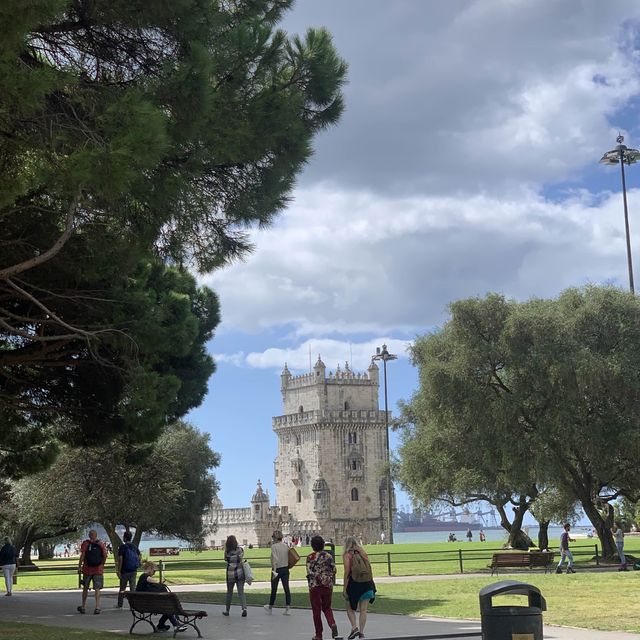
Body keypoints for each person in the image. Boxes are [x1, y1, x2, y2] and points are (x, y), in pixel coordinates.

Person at [136, 561, 187, 633]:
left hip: (143, 604)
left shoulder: (143, 580)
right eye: (154, 571)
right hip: (149, 605)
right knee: (168, 608)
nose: (154, 573)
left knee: (167, 607)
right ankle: (175, 625)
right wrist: (159, 583)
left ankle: (161, 625)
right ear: (150, 568)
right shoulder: (145, 577)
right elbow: (154, 581)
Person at [343, 536, 376, 640]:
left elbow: (347, 572)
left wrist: (344, 588)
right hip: (367, 583)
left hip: (354, 584)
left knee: (349, 608)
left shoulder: (347, 555)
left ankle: (354, 628)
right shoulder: (363, 553)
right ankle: (361, 633)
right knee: (363, 610)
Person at [306, 535, 338, 640]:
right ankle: (332, 623)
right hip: (327, 585)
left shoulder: (310, 557)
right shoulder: (329, 556)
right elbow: (334, 570)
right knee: (327, 607)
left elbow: (309, 571)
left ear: (312, 546)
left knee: (316, 611)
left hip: (315, 586)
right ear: (323, 545)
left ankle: (319, 635)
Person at [77, 529, 107, 614]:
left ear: (89, 535)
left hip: (87, 569)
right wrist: (102, 564)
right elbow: (105, 555)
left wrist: (79, 566)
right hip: (98, 569)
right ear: (96, 535)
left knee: (85, 588)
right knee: (97, 588)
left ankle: (83, 606)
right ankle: (97, 607)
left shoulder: (85, 543)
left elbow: (82, 556)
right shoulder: (100, 544)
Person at [264, 530, 291, 615]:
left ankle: (270, 607)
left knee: (274, 589)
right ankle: (288, 608)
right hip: (285, 569)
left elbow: (275, 559)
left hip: (277, 569)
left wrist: (274, 571)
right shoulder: (286, 546)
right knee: (286, 589)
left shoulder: (274, 546)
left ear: (274, 537)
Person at [116, 531, 141, 608]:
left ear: (124, 538)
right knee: (132, 589)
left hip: (125, 571)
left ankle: (120, 604)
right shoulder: (134, 546)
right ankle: (133, 605)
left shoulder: (122, 547)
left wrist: (119, 570)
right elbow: (139, 556)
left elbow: (120, 558)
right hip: (133, 570)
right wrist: (137, 564)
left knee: (122, 588)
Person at [223, 535, 247, 617]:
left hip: (230, 574)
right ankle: (244, 608)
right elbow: (242, 556)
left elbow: (225, 559)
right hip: (240, 573)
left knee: (229, 592)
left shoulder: (227, 552)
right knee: (241, 592)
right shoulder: (240, 550)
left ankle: (227, 610)